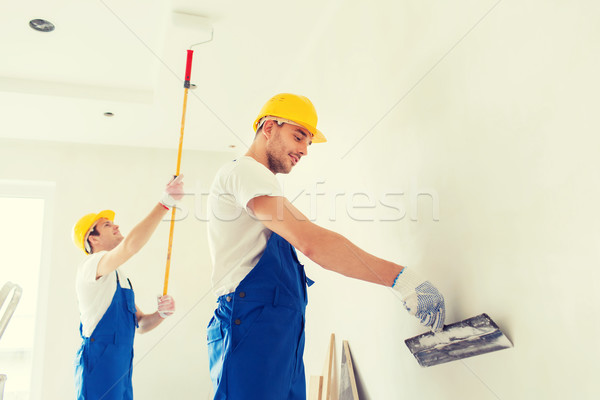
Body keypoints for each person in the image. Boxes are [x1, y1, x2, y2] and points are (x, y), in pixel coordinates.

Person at [205, 93, 446, 399]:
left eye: (308, 142)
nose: (304, 150)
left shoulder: (258, 185)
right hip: (251, 322)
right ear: (268, 128)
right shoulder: (244, 171)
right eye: (298, 136)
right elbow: (312, 243)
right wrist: (401, 279)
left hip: (277, 328)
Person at [72, 176, 183, 400]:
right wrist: (164, 203)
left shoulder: (118, 277)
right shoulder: (92, 265)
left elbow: (140, 324)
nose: (116, 225)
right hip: (99, 369)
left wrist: (161, 314)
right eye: (106, 225)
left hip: (121, 371)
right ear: (92, 239)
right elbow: (130, 246)